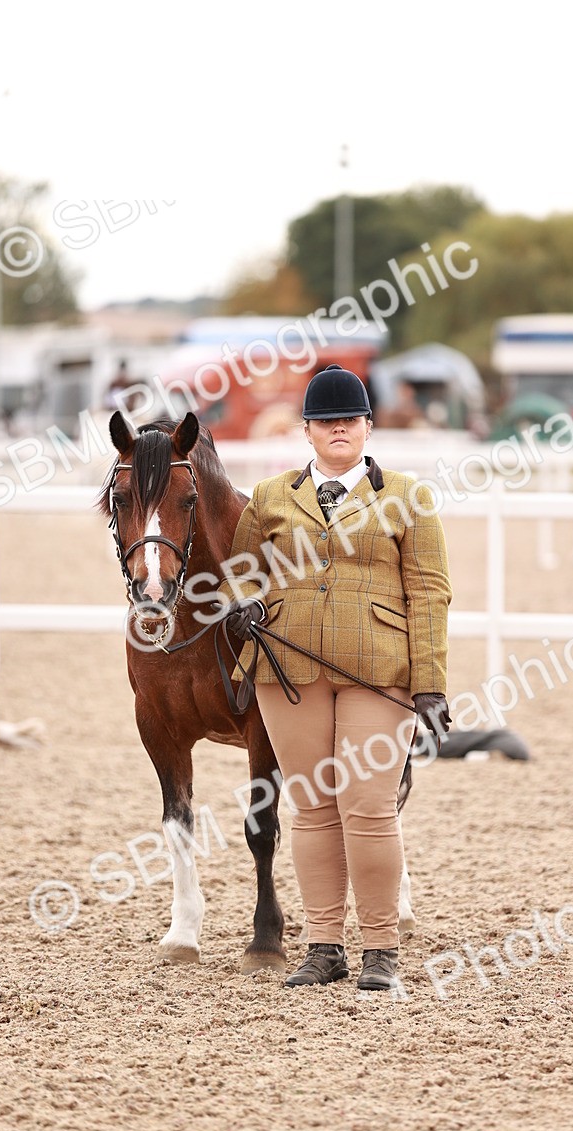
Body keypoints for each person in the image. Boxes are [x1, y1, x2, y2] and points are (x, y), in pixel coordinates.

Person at [220, 364, 452, 992]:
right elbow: (242, 570)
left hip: (380, 667)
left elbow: (429, 591)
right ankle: (324, 946)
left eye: (349, 420)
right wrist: (243, 603)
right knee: (312, 808)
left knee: (369, 807)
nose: (339, 429)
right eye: (326, 421)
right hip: (288, 666)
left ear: (368, 426)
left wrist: (430, 681)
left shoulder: (407, 496)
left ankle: (380, 948)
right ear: (308, 431)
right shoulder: (269, 498)